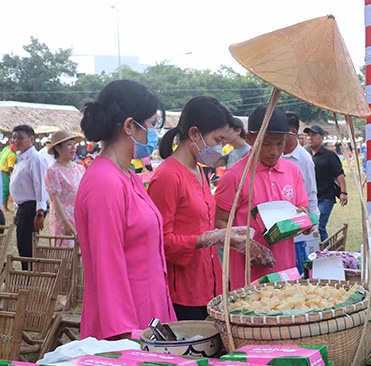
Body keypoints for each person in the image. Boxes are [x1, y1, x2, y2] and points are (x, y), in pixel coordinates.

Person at [75, 79, 175, 339]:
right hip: (127, 330)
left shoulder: (128, 175)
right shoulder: (104, 183)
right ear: (130, 126)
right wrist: (125, 339)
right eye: (152, 124)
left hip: (151, 315)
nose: (154, 133)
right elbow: (107, 271)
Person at [148, 96, 244, 321]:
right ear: (194, 134)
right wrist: (209, 238)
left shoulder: (199, 171)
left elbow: (202, 223)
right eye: (218, 139)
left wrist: (223, 237)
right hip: (184, 293)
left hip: (210, 285)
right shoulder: (168, 177)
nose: (221, 147)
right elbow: (161, 242)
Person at [216, 106, 307, 289]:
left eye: (280, 143)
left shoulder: (293, 171)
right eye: (266, 144)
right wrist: (247, 245)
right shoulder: (234, 177)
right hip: (248, 277)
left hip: (285, 274)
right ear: (250, 138)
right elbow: (219, 222)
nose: (274, 151)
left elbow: (302, 210)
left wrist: (304, 220)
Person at [282, 113, 320, 273]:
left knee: (300, 269)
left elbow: (311, 193)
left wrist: (312, 221)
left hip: (301, 224)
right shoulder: (277, 156)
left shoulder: (304, 159)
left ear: (293, 132)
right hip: (282, 224)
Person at [9, 125, 49, 266]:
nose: (15, 141)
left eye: (20, 137)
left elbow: (41, 186)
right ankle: (28, 276)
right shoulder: (22, 158)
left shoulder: (35, 158)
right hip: (24, 208)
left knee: (27, 247)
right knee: (23, 245)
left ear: (31, 139)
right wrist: (18, 208)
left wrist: (40, 212)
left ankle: (30, 278)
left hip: (32, 208)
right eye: (14, 137)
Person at [305, 124, 346, 244]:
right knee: (311, 227)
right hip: (310, 198)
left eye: (313, 135)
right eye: (308, 135)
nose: (310, 138)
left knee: (319, 225)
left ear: (322, 137)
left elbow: (340, 174)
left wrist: (343, 192)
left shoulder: (329, 155)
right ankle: (317, 249)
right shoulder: (305, 154)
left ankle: (325, 252)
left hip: (326, 197)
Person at [43, 130, 85, 245]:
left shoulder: (80, 169)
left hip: (79, 217)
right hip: (63, 220)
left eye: (73, 144)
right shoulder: (53, 170)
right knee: (65, 255)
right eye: (69, 145)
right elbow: (54, 199)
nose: (73, 148)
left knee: (80, 254)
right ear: (58, 148)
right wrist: (65, 222)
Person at [0, 142, 17, 212]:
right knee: (6, 190)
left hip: (1, 170)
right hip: (5, 173)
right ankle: (5, 207)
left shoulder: (6, 148)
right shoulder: (12, 155)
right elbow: (10, 167)